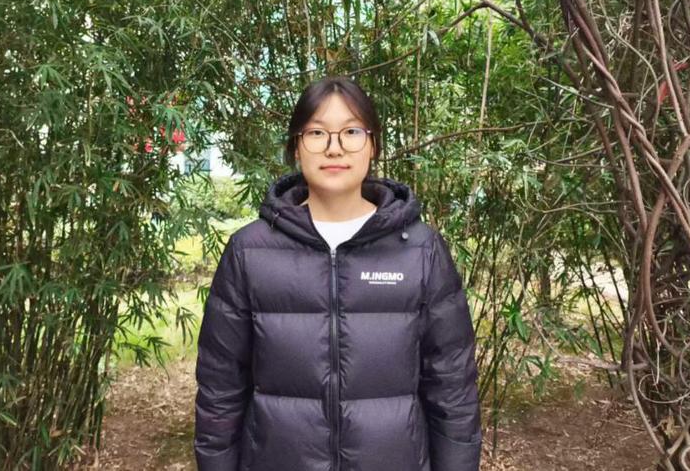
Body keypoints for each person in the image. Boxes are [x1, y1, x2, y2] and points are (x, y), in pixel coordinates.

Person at [193, 76, 482, 471]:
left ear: (373, 144)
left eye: (351, 132)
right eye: (316, 132)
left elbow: (453, 390)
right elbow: (220, 389)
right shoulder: (250, 252)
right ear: (296, 146)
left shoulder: (420, 250)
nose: (334, 147)